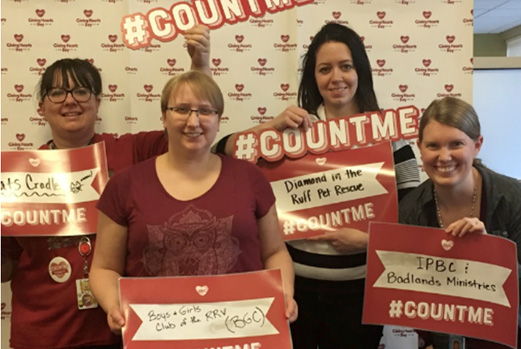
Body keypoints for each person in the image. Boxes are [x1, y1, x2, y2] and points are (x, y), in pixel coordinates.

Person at [1, 25, 211, 349]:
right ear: (41, 107)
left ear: (98, 103)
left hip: (118, 328)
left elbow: (191, 137)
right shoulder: (14, 176)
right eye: (57, 93)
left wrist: (200, 68)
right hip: (41, 335)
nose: (70, 100)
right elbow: (5, 268)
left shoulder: (129, 151)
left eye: (82, 91)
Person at [215, 22, 420, 348]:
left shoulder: (389, 135)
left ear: (360, 71)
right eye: (324, 69)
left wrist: (367, 241)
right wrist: (271, 126)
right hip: (299, 289)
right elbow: (223, 150)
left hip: (363, 291)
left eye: (345, 66)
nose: (336, 77)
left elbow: (414, 219)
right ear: (314, 77)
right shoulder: (294, 132)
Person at [89, 70, 298, 334]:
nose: (193, 121)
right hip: (158, 336)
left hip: (242, 333)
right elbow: (104, 267)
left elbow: (275, 253)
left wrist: (284, 294)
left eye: (205, 111)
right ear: (164, 117)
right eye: (181, 109)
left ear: (219, 120)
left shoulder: (250, 178)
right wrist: (115, 305)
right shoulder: (125, 185)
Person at [400, 96, 521, 349]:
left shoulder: (515, 200)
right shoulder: (410, 211)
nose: (444, 157)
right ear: (419, 147)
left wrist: (490, 252)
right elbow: (410, 291)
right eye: (433, 146)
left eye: (456, 144)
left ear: (477, 145)